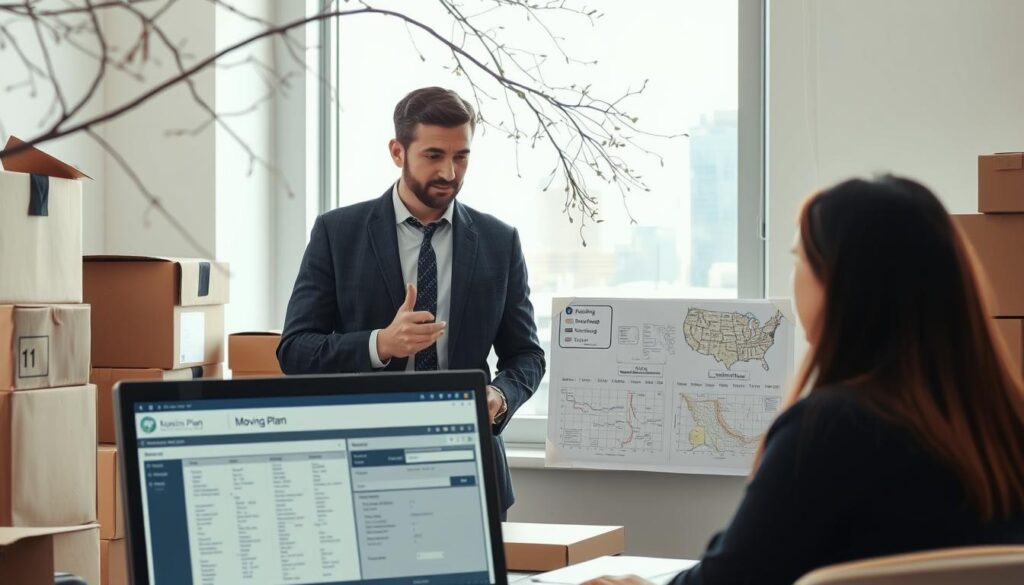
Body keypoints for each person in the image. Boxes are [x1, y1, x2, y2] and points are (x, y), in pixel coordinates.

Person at [586, 176, 1024, 585]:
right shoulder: (1004, 426)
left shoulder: (829, 431)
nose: (794, 277)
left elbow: (731, 580)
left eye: (799, 259)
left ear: (840, 282)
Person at [277, 86, 546, 517]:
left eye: (462, 157)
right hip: (359, 469)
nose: (450, 172)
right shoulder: (337, 233)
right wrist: (380, 344)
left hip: (469, 470)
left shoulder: (500, 242)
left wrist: (500, 395)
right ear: (397, 151)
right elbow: (294, 350)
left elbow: (527, 354)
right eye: (434, 155)